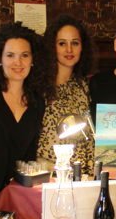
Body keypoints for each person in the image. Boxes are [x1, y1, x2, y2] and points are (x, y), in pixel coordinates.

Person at [0, 22, 51, 212]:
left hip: (17, 197)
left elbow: (29, 157)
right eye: (10, 55)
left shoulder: (37, 101)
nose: (18, 62)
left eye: (24, 55)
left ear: (33, 60)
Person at [37, 14, 95, 173]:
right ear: (52, 47)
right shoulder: (39, 87)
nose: (69, 50)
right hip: (49, 173)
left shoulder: (84, 86)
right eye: (62, 43)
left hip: (83, 172)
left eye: (75, 43)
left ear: (82, 47)